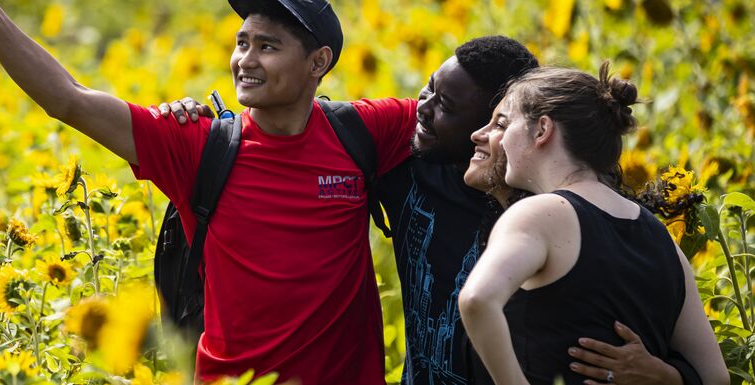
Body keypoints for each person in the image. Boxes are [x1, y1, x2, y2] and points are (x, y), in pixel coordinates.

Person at [166, 36, 704, 384]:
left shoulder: (561, 213)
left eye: (455, 108)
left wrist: (669, 376)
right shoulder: (407, 171)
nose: (424, 110)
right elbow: (305, 132)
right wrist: (198, 121)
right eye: (426, 92)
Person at [0, 0, 420, 382]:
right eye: (242, 43)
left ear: (318, 61)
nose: (246, 60)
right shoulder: (196, 145)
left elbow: (466, 109)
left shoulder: (362, 131)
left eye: (268, 46)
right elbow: (67, 98)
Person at [457, 63, 729, 385]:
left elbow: (477, 300)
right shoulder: (660, 236)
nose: (496, 140)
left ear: (542, 130)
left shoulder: (540, 214)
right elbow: (716, 377)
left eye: (506, 123)